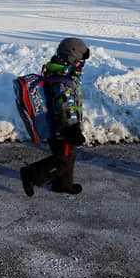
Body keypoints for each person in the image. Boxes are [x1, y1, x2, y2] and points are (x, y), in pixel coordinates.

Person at [20, 37, 90, 196]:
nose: (82, 65)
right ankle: (31, 174)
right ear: (71, 58)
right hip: (63, 130)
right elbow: (66, 105)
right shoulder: (62, 80)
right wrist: (72, 128)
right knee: (62, 160)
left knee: (68, 157)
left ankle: (63, 184)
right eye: (81, 61)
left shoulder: (60, 72)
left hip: (59, 127)